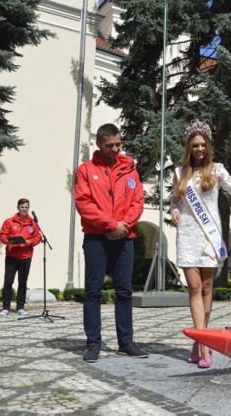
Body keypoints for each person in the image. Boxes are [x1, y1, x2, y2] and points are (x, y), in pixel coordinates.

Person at [170, 120, 231, 369]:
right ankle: (203, 345)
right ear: (189, 147)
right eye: (195, 145)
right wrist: (174, 212)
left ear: (208, 146)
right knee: (194, 287)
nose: (199, 149)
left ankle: (199, 342)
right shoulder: (180, 173)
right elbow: (175, 201)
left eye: (203, 145)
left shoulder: (217, 169)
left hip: (209, 235)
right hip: (188, 234)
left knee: (207, 287)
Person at [74, 123, 148, 363]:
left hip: (124, 237)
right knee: (93, 291)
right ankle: (93, 343)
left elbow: (137, 201)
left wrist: (122, 226)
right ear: (99, 144)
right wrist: (110, 226)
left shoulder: (130, 170)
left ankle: (126, 342)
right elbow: (84, 204)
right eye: (110, 145)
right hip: (96, 238)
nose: (115, 149)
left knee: (124, 291)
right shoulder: (85, 170)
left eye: (118, 143)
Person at [0, 198, 42, 316]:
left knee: (22, 283)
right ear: (18, 208)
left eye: (26, 207)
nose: (24, 209)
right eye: (22, 207)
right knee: (8, 282)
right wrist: (8, 241)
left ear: (29, 208)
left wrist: (30, 242)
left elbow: (38, 237)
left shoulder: (33, 223)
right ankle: (6, 307)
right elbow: (2, 235)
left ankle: (20, 307)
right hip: (12, 256)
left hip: (26, 256)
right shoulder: (9, 221)